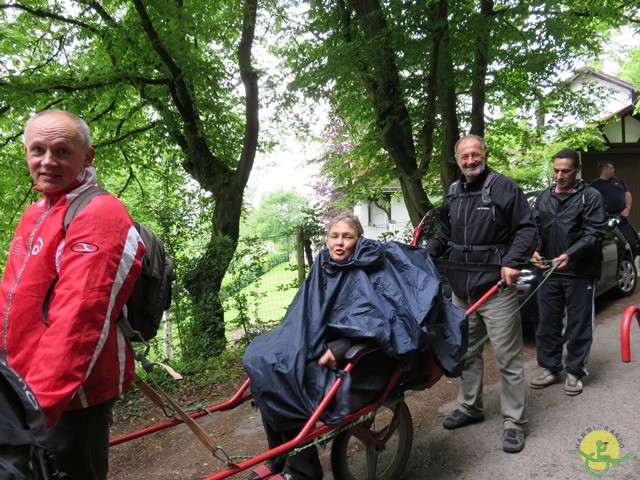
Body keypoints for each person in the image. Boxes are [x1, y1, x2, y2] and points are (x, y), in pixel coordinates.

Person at [243, 213, 467, 480]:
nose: (339, 243)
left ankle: (303, 470)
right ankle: (279, 457)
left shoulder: (369, 268)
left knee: (290, 380)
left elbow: (381, 321)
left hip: (364, 365)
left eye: (347, 237)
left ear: (358, 239)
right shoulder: (323, 264)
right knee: (264, 363)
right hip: (322, 345)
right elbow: (306, 312)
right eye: (334, 236)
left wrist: (340, 347)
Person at [0, 110, 145, 479]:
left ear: (88, 156)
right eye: (38, 150)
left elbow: (78, 324)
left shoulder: (100, 214)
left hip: (68, 398)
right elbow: (11, 297)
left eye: (62, 151)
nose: (47, 162)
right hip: (23, 386)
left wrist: (31, 412)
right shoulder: (36, 212)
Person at [427, 134, 536, 454]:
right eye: (465, 157)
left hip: (496, 289)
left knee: (508, 358)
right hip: (463, 291)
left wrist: (513, 261)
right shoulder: (454, 191)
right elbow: (446, 230)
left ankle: (514, 421)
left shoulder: (505, 188)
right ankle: (471, 407)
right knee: (468, 352)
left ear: (485, 154)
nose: (471, 161)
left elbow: (527, 228)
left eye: (476, 155)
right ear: (458, 160)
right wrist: (424, 256)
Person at [530, 148, 607, 396]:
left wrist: (569, 255)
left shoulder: (591, 197)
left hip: (580, 271)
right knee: (547, 323)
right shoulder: (544, 197)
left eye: (565, 170)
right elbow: (536, 229)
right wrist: (535, 251)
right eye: (556, 170)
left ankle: (575, 371)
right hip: (549, 272)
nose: (559, 175)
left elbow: (594, 233)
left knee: (578, 324)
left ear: (578, 169)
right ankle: (551, 368)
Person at [591, 161, 640, 256]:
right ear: (604, 170)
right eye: (611, 168)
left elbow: (627, 194)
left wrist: (628, 208)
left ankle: (630, 262)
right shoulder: (595, 184)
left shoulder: (618, 181)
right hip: (606, 219)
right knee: (614, 245)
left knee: (633, 242)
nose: (613, 170)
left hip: (621, 216)